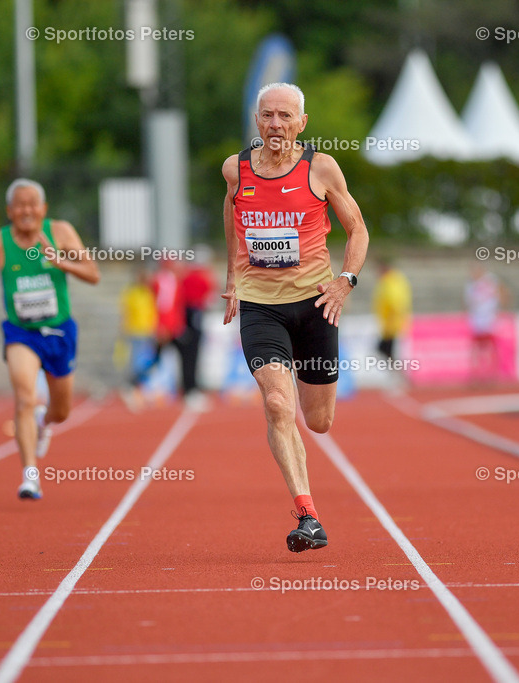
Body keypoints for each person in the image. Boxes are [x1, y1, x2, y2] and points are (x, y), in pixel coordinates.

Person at [221, 82, 369, 553]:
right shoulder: (235, 169)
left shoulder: (320, 168)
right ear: (256, 120)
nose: (276, 125)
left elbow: (358, 229)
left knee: (319, 420)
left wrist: (346, 281)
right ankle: (308, 514)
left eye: (286, 116)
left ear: (302, 123)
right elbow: (231, 210)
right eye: (267, 115)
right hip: (261, 308)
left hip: (315, 304)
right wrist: (231, 275)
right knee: (278, 405)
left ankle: (309, 490)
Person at [0, 179, 99, 500]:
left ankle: (45, 421)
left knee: (62, 410)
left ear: (43, 209)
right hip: (21, 333)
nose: (26, 210)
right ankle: (30, 476)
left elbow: (93, 273)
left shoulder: (61, 232)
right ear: (9, 211)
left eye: (32, 204)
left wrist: (59, 260)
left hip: (60, 331)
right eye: (19, 205)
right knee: (24, 397)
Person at [126, 258, 187, 406]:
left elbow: (176, 305)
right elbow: (161, 305)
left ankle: (174, 390)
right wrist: (162, 325)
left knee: (167, 358)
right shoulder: (160, 281)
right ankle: (135, 385)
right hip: (160, 326)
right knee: (153, 359)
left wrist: (178, 324)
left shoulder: (173, 281)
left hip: (171, 326)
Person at [179, 246, 216, 407]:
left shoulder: (185, 276)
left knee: (189, 356)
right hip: (192, 317)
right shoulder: (200, 277)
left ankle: (190, 388)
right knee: (191, 355)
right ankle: (190, 389)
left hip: (188, 317)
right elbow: (208, 299)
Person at [117, 265, 158, 403]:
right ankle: (131, 388)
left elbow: (152, 312)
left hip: (147, 332)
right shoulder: (131, 293)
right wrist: (124, 329)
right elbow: (125, 312)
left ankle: (139, 387)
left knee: (146, 363)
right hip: (134, 331)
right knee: (136, 363)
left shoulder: (148, 292)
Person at [465, 264, 504, 384]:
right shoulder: (470, 286)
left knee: (490, 348)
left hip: (489, 321)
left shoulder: (490, 281)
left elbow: (501, 293)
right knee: (477, 349)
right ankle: (476, 374)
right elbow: (468, 303)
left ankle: (492, 373)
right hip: (477, 322)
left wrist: (500, 307)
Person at [372, 257, 412, 361]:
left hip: (392, 325)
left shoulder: (389, 281)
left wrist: (392, 319)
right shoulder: (397, 279)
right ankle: (394, 372)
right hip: (393, 324)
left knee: (388, 352)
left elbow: (393, 301)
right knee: (388, 352)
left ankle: (396, 373)